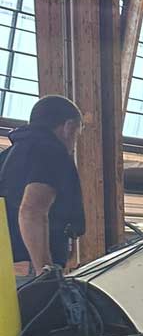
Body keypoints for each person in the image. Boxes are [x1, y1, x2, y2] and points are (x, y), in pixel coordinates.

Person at [0, 95, 86, 280]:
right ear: (69, 127)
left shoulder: (7, 157)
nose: (73, 146)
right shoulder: (51, 151)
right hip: (29, 271)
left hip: (6, 269)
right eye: (77, 136)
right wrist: (44, 270)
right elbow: (32, 210)